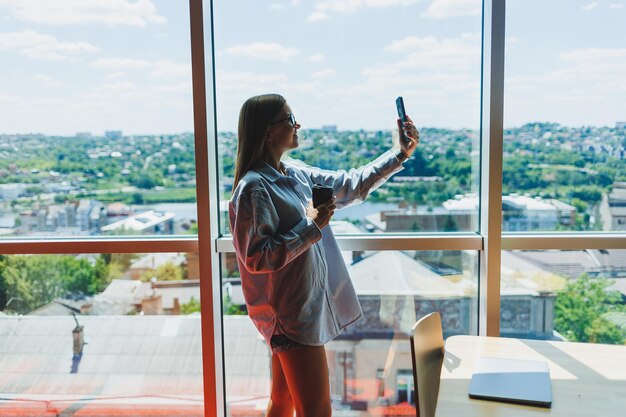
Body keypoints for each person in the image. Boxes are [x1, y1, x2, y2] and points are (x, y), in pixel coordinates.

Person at [229, 93, 419, 417]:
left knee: (283, 400)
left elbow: (352, 186)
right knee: (317, 410)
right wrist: (313, 225)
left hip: (299, 310)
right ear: (268, 132)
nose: (297, 124)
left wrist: (400, 153)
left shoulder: (295, 174)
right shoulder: (254, 189)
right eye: (290, 119)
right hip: (291, 318)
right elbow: (257, 258)